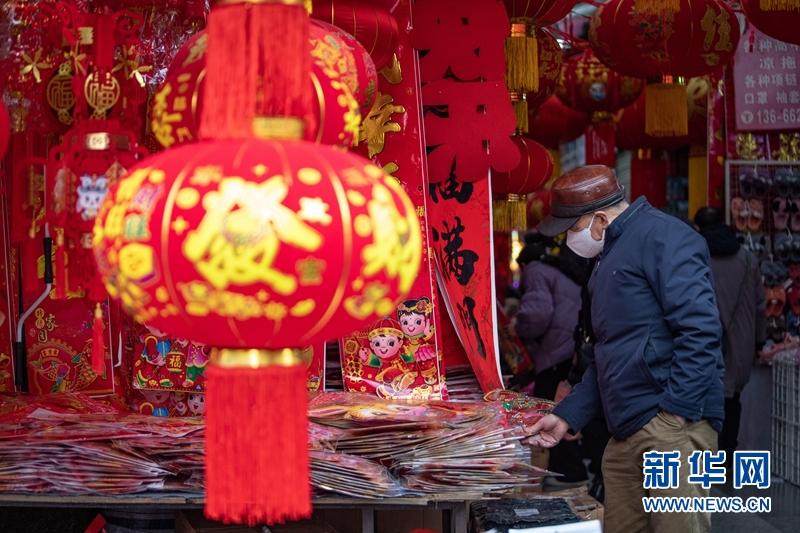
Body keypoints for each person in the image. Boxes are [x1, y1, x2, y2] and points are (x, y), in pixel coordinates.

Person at [527, 165, 724, 533]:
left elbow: (700, 330)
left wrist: (675, 413)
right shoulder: (610, 253)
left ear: (601, 219)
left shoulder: (665, 237)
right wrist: (569, 415)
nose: (569, 239)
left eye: (572, 227)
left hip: (670, 426)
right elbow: (610, 350)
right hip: (628, 425)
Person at [516, 236, 591, 485]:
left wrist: (517, 328)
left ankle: (567, 473)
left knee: (551, 408)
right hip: (571, 347)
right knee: (563, 405)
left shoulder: (535, 271)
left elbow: (537, 314)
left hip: (555, 351)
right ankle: (571, 470)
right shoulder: (559, 270)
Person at [694, 207, 766, 467]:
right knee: (732, 399)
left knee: (702, 399)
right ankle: (726, 456)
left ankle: (705, 455)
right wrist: (759, 341)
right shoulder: (747, 259)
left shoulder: (694, 257)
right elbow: (759, 305)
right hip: (740, 342)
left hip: (703, 339)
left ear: (698, 228)